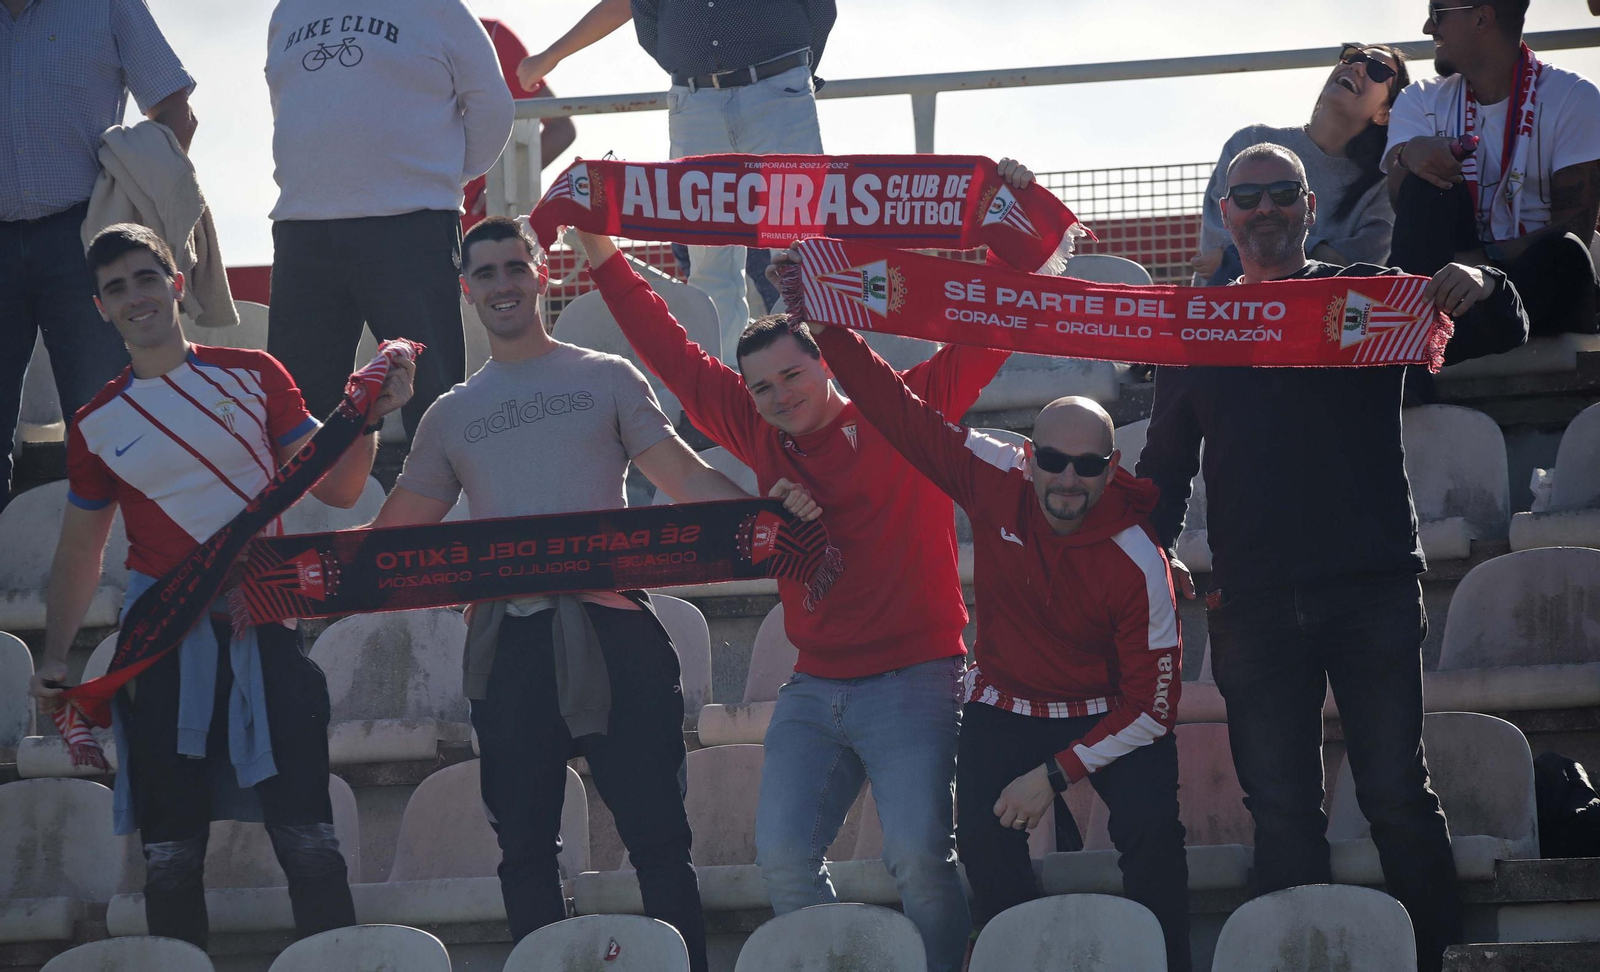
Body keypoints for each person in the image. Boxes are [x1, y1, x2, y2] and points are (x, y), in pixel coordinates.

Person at [570, 160, 1032, 972]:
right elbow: (669, 350)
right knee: (783, 861)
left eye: (792, 375)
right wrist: (597, 245)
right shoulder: (758, 432)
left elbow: (989, 323)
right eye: (762, 388)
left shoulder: (905, 408)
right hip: (815, 687)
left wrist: (1014, 223)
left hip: (918, 676)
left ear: (827, 361)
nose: (780, 396)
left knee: (920, 859)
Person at [369, 216, 819, 972]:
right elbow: (388, 542)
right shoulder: (449, 414)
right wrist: (367, 420)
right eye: (486, 273)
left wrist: (765, 514)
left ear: (542, 273)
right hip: (508, 648)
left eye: (516, 267)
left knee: (659, 840)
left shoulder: (607, 376)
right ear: (466, 289)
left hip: (614, 634)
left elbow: (683, 476)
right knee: (524, 851)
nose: (503, 284)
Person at [1137, 143, 1529, 972]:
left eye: (1284, 192)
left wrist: (1483, 280)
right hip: (1253, 603)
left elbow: (1501, 329)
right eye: (1249, 197)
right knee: (1281, 812)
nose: (1266, 209)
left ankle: (1441, 961)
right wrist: (1148, 559)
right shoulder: (1196, 328)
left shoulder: (1367, 297)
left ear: (1310, 206)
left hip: (1371, 589)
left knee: (1395, 793)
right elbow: (1162, 473)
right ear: (1225, 214)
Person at [29, 223, 414, 948]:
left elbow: (338, 488)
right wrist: (54, 656)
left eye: (147, 278)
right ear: (100, 307)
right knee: (170, 856)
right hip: (160, 642)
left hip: (264, 623)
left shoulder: (254, 373)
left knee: (309, 840)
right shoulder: (94, 423)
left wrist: (371, 419)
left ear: (177, 284)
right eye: (117, 288)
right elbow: (81, 549)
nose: (136, 297)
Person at [804, 320, 1192, 970]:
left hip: (1107, 710)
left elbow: (1151, 711)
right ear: (1029, 454)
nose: (1068, 479)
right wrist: (827, 328)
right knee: (983, 842)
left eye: (1089, 466)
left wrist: (1054, 775)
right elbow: (899, 413)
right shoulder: (990, 472)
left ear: (1112, 469)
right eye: (1053, 460)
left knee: (1155, 834)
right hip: (1007, 700)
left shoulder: (1141, 560)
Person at [518, 0, 835, 361]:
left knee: (799, 252)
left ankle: (813, 374)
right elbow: (638, 8)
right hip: (698, 101)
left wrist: (794, 71)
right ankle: (724, 382)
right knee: (711, 267)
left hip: (775, 91)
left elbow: (821, 9)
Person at [264, 0, 514, 436]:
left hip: (411, 225)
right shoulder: (288, 10)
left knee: (433, 399)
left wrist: (436, 181)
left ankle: (440, 484)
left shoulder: (438, 7)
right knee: (297, 406)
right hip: (301, 230)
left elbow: (493, 106)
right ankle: (322, 486)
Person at [0, 0, 198, 513]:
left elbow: (174, 111)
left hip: (86, 238)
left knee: (107, 423)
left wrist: (138, 201)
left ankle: (120, 560)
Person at [1384, 1, 1600, 339]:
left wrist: (1483, 265)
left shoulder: (1575, 96)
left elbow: (1575, 228)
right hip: (1446, 277)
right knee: (1424, 186)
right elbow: (1405, 207)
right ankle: (1417, 335)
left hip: (1529, 280)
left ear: (1482, 18)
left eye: (1437, 12)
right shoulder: (1419, 99)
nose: (1428, 27)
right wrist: (1408, 156)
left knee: (1565, 251)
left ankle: (1429, 339)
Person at [1193, 43, 1409, 286]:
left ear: (1384, 114)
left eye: (1378, 70)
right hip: (1225, 306)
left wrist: (1257, 246)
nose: (1357, 66)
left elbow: (1358, 272)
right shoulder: (1250, 141)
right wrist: (1320, 250)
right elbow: (1217, 252)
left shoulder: (1382, 184)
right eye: (1352, 56)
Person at [461, 18, 577, 234]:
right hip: (404, 214)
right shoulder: (394, 38)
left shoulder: (491, 36)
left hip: (484, 232)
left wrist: (505, 183)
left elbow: (561, 128)